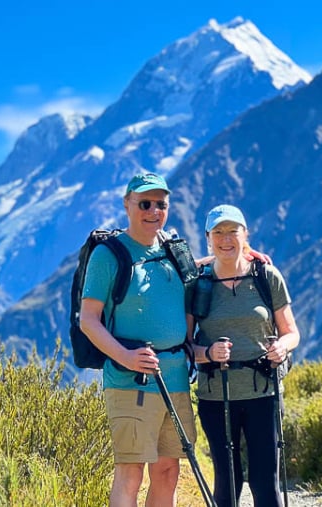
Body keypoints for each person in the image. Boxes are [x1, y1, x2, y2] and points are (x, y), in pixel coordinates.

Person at [79, 173, 195, 507]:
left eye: (161, 204)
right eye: (145, 203)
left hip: (174, 379)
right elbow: (88, 319)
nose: (153, 211)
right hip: (132, 381)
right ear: (127, 205)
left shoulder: (173, 252)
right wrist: (126, 357)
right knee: (130, 473)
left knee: (168, 471)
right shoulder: (108, 255)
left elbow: (196, 275)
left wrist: (244, 253)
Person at [191, 204, 300, 507]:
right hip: (216, 396)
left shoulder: (266, 277)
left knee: (266, 482)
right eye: (218, 232)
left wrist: (283, 346)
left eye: (232, 231)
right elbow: (186, 346)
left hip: (264, 392)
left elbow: (292, 332)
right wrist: (209, 353)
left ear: (245, 235)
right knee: (228, 482)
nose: (226, 239)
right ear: (208, 237)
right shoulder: (199, 284)